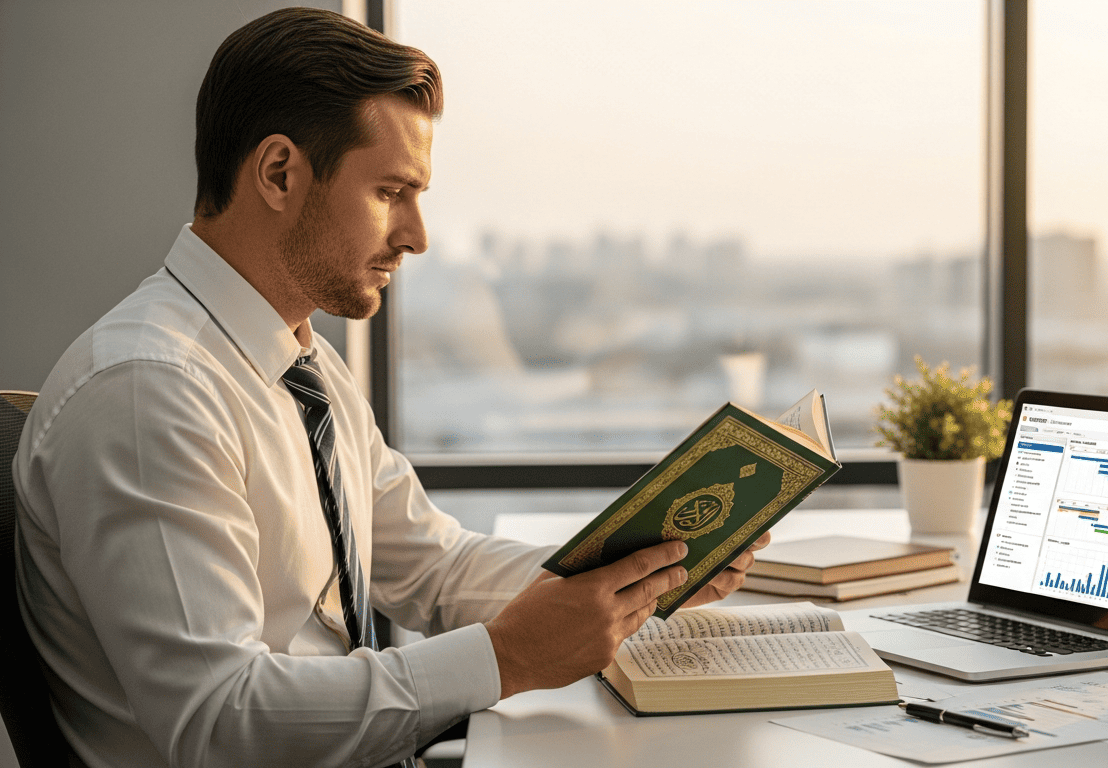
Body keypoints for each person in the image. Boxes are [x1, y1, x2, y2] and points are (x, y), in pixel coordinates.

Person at [11, 8, 768, 768]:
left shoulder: (303, 367)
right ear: (279, 173)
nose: (417, 235)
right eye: (391, 192)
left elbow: (433, 568)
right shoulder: (151, 392)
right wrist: (502, 659)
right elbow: (219, 721)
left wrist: (637, 575)